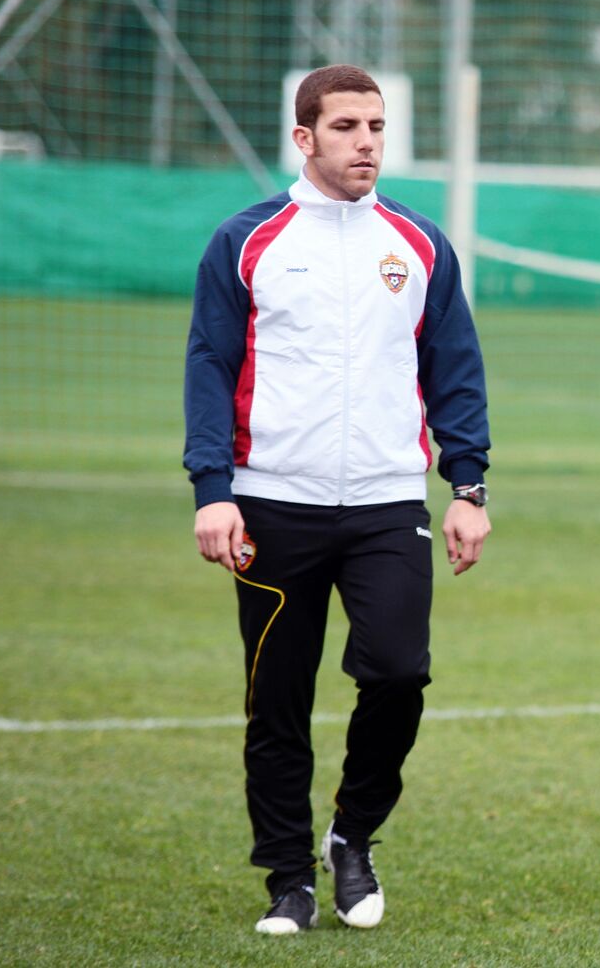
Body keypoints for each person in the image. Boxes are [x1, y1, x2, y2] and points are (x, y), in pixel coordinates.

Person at [183, 64, 491, 935]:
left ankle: (351, 837)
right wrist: (213, 491)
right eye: (347, 126)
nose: (366, 143)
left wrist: (468, 486)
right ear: (304, 137)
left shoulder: (419, 243)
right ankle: (288, 879)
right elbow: (209, 365)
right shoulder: (246, 240)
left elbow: (455, 369)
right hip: (270, 504)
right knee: (277, 700)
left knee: (398, 672)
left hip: (389, 504)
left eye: (377, 127)